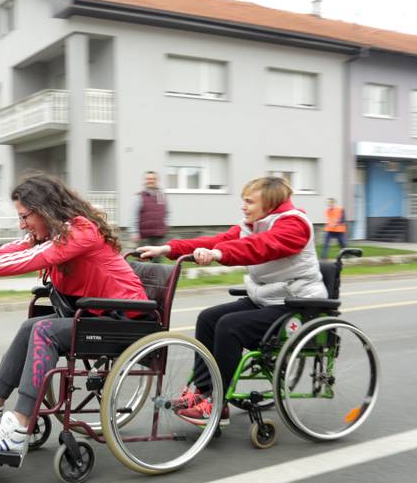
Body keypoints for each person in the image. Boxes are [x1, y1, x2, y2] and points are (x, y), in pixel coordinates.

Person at [0, 172, 147, 461]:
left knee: (44, 330)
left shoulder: (80, 232)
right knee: (30, 326)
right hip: (95, 315)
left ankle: (19, 428)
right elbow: (1, 253)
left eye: (25, 216)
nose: (22, 225)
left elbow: (24, 261)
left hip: (126, 321)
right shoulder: (52, 234)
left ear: (45, 209)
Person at [137, 176, 327, 426]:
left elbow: (260, 247)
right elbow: (217, 241)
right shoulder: (252, 224)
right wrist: (168, 249)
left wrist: (218, 254)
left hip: (298, 304)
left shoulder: (294, 225)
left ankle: (217, 403)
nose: (243, 206)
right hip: (269, 299)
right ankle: (202, 391)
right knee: (208, 318)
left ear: (269, 204)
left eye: (249, 201)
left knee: (230, 326)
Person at [130, 171, 167, 261]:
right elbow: (134, 215)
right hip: (144, 236)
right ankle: (138, 275)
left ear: (157, 180)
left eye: (153, 179)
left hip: (158, 235)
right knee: (141, 261)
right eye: (148, 179)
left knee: (157, 262)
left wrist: (165, 226)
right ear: (145, 181)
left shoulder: (162, 196)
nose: (151, 181)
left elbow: (167, 212)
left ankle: (156, 275)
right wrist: (134, 232)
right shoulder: (139, 196)